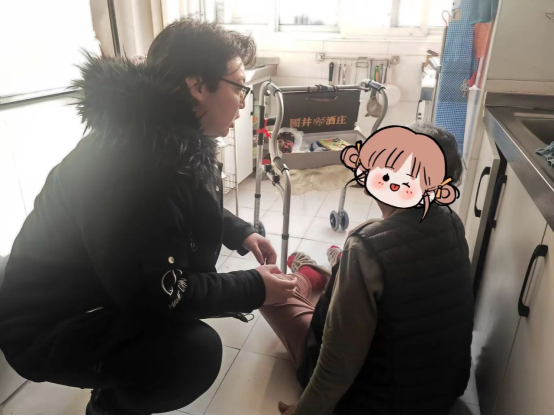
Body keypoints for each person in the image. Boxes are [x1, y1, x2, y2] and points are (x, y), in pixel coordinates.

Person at [0, 18, 297, 415]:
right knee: (192, 354)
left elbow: (184, 201)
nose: (244, 102)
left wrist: (239, 232)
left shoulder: (155, 137)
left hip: (93, 291)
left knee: (182, 333)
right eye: (240, 86)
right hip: (47, 325)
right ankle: (109, 408)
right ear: (197, 86)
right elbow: (161, 293)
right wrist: (254, 286)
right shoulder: (132, 169)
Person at [262, 122, 474, 415]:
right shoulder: (451, 221)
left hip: (374, 401)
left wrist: (305, 411)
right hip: (444, 391)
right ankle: (328, 269)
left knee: (267, 291)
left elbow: (338, 361)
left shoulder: (366, 248)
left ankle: (310, 276)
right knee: (365, 244)